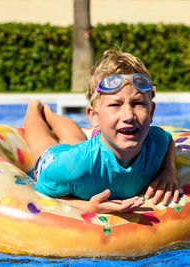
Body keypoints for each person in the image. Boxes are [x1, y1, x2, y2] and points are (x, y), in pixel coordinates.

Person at [23, 49, 179, 213]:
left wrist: (169, 171)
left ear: (152, 112)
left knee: (73, 138)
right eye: (115, 105)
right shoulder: (73, 164)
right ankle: (34, 109)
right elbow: (40, 192)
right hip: (56, 161)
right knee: (43, 144)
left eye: (138, 103)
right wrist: (87, 206)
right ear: (93, 116)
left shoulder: (156, 141)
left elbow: (168, 140)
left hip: (83, 153)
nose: (128, 115)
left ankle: (49, 113)